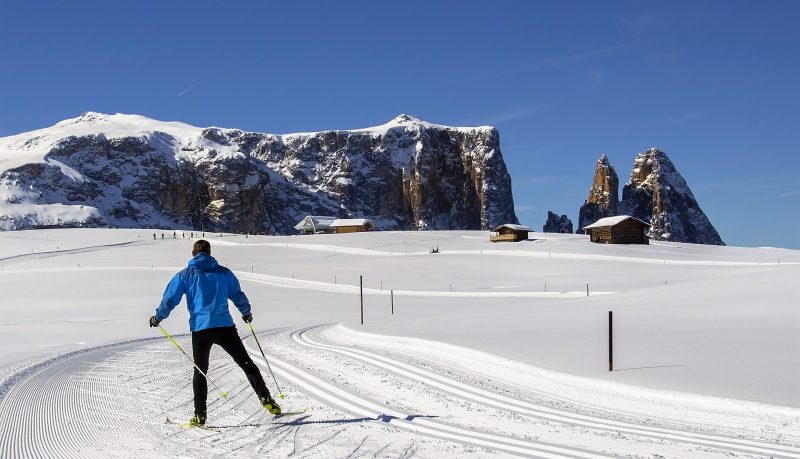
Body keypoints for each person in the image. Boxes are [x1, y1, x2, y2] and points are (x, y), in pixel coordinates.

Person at [149, 239, 280, 427]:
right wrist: (246, 312)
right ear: (209, 253)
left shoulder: (184, 275)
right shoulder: (223, 273)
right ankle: (266, 398)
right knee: (245, 363)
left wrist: (158, 317)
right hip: (225, 327)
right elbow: (237, 294)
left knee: (200, 371)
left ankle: (200, 415)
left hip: (201, 329)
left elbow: (170, 299)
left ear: (193, 253)